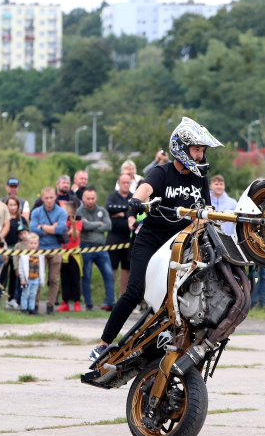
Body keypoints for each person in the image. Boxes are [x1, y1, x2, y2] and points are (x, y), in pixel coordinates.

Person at [89, 117, 218, 361]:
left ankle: (166, 342)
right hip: (151, 240)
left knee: (178, 296)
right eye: (197, 149)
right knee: (135, 291)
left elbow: (205, 210)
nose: (201, 156)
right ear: (182, 148)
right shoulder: (163, 171)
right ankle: (103, 343)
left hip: (179, 246)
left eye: (202, 150)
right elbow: (145, 188)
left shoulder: (200, 177)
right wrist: (137, 200)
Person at [29, 187, 67, 314]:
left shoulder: (61, 212)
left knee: (54, 278)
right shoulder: (36, 212)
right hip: (40, 248)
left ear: (55, 197)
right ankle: (34, 304)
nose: (49, 200)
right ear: (42, 199)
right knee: (37, 277)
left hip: (56, 248)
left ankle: (51, 305)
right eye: (46, 198)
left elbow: (60, 229)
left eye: (51, 197)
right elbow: (33, 229)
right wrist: (50, 228)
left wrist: (43, 227)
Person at [77, 188, 115, 311]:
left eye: (92, 198)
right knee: (86, 275)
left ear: (96, 198)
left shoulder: (102, 210)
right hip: (86, 247)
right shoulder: (79, 211)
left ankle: (111, 302)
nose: (90, 201)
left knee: (108, 274)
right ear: (83, 198)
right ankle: (88, 303)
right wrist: (99, 224)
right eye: (88, 198)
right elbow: (83, 225)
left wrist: (92, 225)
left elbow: (108, 225)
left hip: (101, 248)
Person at [106, 174, 135, 298]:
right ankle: (109, 297)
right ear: (118, 183)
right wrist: (127, 212)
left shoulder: (134, 197)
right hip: (113, 236)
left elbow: (137, 209)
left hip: (129, 237)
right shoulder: (112, 197)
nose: (126, 184)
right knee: (111, 267)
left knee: (126, 268)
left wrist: (119, 213)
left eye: (128, 182)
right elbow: (109, 208)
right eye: (123, 182)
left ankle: (122, 297)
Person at [3, 196, 29, 309]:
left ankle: (12, 298)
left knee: (15, 274)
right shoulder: (4, 219)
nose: (13, 207)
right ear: (6, 206)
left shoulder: (22, 219)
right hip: (5, 248)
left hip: (17, 250)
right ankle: (0, 297)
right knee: (3, 274)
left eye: (15, 205)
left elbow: (26, 233)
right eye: (10, 205)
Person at [58, 202, 83, 312]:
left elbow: (74, 237)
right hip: (63, 254)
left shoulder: (78, 222)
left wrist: (73, 225)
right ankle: (65, 303)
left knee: (75, 279)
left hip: (74, 254)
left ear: (70, 211)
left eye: (64, 209)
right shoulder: (61, 221)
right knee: (64, 279)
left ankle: (77, 303)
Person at [19, 233, 44, 315]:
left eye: (35, 243)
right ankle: (24, 308)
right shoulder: (24, 256)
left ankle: (32, 309)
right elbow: (21, 268)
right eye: (31, 243)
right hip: (27, 279)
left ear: (38, 244)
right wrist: (22, 278)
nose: (33, 245)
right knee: (25, 294)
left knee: (33, 294)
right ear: (27, 244)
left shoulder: (40, 255)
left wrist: (42, 278)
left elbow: (42, 268)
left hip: (36, 278)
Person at [10, 221, 31, 308]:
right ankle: (19, 302)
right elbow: (15, 257)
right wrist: (16, 268)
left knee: (30, 286)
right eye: (21, 234)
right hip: (21, 270)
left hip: (31, 269)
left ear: (28, 233)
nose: (23, 235)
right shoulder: (18, 245)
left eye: (25, 233)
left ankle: (30, 302)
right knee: (20, 286)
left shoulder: (32, 243)